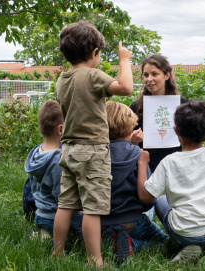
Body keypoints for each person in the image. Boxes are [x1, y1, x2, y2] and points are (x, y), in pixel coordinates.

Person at [52, 20, 133, 268]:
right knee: (92, 209)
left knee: (66, 204)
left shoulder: (62, 80)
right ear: (94, 52)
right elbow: (126, 88)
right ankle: (95, 260)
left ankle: (58, 252)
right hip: (93, 151)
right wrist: (124, 60)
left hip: (68, 150)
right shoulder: (93, 75)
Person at [136, 100, 205, 263]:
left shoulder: (169, 161)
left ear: (176, 130)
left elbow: (145, 197)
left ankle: (189, 245)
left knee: (161, 200)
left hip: (183, 233)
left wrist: (142, 164)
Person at [101, 101, 168, 264]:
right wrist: (143, 162)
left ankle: (110, 240)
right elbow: (147, 199)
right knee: (163, 242)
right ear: (131, 130)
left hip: (100, 222)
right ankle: (133, 245)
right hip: (133, 221)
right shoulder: (139, 156)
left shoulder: (96, 153)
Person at [24, 100, 83, 240]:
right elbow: (63, 199)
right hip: (54, 217)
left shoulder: (37, 153)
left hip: (40, 214)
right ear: (61, 129)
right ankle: (47, 238)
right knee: (85, 228)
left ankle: (43, 234)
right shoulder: (57, 161)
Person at [130, 54, 187, 172]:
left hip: (175, 167)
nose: (149, 79)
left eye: (154, 74)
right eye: (146, 75)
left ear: (167, 75)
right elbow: (127, 142)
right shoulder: (136, 108)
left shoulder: (183, 105)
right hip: (146, 168)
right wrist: (133, 140)